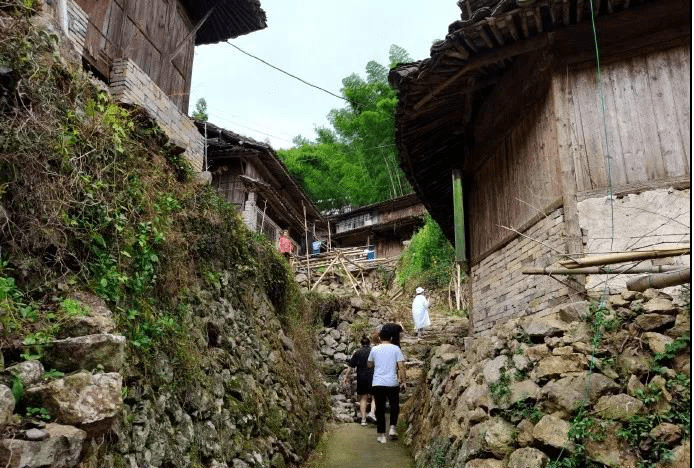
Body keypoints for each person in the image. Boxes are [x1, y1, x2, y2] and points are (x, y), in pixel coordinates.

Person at [368, 324, 406, 444]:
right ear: (390, 338)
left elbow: (369, 364)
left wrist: (376, 363)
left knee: (380, 409)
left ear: (379, 338)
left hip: (378, 383)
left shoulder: (374, 349)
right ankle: (393, 428)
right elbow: (401, 367)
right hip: (392, 383)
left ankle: (381, 435)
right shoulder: (396, 349)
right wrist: (403, 381)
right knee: (395, 406)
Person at [344, 335, 376, 426]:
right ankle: (372, 413)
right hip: (373, 376)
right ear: (369, 343)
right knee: (374, 397)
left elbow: (350, 366)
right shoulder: (373, 351)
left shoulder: (357, 352)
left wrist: (346, 377)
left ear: (361, 344)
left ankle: (363, 420)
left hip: (361, 377)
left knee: (363, 398)